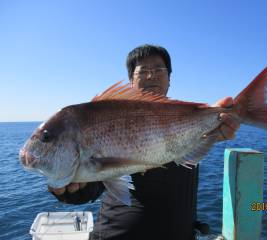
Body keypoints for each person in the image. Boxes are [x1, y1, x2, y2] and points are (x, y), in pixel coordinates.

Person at [49, 44, 240, 240]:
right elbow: (96, 185)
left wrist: (214, 134)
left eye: (159, 69)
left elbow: (190, 154)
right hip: (119, 234)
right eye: (144, 71)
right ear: (131, 80)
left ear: (169, 79)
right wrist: (68, 190)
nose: (152, 76)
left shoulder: (189, 120)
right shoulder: (106, 118)